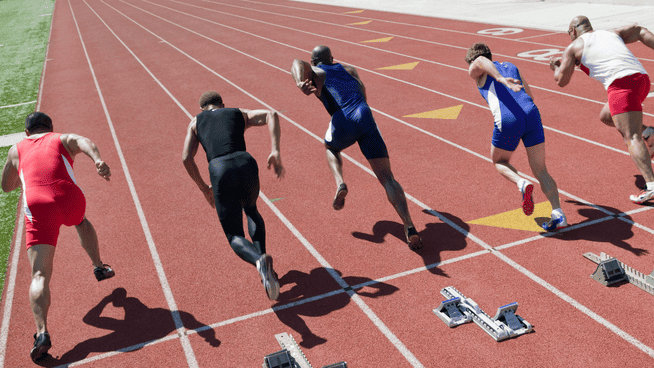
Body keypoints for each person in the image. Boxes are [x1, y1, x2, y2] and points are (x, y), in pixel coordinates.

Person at [0, 112, 115, 362]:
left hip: (38, 205)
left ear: (27, 133)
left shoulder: (16, 149)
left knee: (39, 274)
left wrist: (23, 175)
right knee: (81, 222)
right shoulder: (60, 138)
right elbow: (83, 141)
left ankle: (42, 334)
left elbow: (6, 186)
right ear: (50, 128)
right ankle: (99, 267)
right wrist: (97, 160)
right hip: (68, 197)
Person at [291, 45, 422, 250]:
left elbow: (297, 63)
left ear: (315, 62)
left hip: (343, 117)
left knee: (330, 148)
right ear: (332, 58)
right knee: (387, 177)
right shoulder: (350, 70)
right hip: (365, 115)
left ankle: (340, 183)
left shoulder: (317, 72)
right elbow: (363, 92)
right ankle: (410, 226)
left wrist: (300, 81)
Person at [182, 91, 284, 301]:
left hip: (220, 170)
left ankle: (259, 261)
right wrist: (275, 150)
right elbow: (271, 114)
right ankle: (264, 267)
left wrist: (204, 188)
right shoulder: (238, 113)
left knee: (234, 235)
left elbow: (186, 158)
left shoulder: (196, 122)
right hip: (246, 162)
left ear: (203, 110)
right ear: (222, 104)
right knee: (251, 209)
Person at [550, 16, 654, 204]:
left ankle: (651, 185)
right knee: (606, 115)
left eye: (569, 34)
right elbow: (639, 31)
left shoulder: (574, 48)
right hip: (642, 80)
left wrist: (556, 67)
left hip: (620, 85)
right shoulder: (610, 33)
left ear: (573, 31)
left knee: (631, 137)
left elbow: (561, 81)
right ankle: (648, 132)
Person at [465, 42, 567, 231]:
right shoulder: (511, 66)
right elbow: (529, 94)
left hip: (509, 118)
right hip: (531, 113)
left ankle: (522, 183)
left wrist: (500, 79)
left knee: (499, 161)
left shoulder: (479, 68)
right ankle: (558, 212)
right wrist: (505, 79)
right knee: (541, 169)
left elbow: (479, 61)